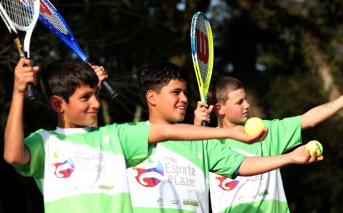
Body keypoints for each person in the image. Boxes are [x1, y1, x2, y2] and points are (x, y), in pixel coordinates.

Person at [3, 58, 272, 213]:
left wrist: (232, 135)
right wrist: (17, 92)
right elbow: (13, 154)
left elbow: (167, 131)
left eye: (95, 94)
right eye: (86, 97)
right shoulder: (45, 143)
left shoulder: (115, 137)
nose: (96, 103)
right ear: (58, 105)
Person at [126, 62, 323, 213]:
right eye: (176, 92)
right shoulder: (128, 137)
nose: (184, 99)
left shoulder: (201, 143)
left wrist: (290, 158)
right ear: (152, 97)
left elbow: (242, 164)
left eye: (185, 92)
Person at [204, 75, 336, 213]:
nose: (247, 105)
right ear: (219, 109)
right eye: (239, 102)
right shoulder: (208, 143)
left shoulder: (266, 131)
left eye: (246, 99)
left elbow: (309, 119)